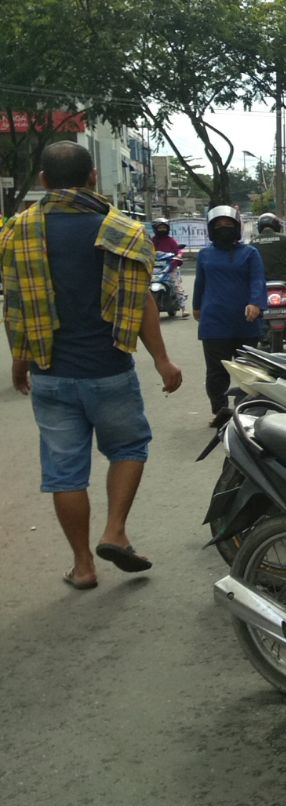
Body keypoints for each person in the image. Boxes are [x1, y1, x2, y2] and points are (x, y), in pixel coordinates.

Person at [1, 141, 183, 590]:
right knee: (128, 449)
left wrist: (19, 361)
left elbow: (19, 306)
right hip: (110, 370)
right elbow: (140, 302)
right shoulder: (123, 229)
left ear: (43, 181)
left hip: (50, 373)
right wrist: (162, 361)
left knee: (65, 472)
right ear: (93, 178)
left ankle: (83, 566)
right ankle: (115, 530)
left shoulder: (17, 230)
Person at [193, 206, 266, 425]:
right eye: (218, 226)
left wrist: (255, 302)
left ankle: (245, 409)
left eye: (228, 225)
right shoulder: (205, 255)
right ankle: (220, 410)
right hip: (214, 323)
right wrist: (197, 307)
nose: (223, 229)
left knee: (248, 370)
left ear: (237, 228)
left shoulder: (250, 253)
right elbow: (200, 283)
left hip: (246, 320)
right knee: (216, 372)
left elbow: (257, 280)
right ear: (211, 229)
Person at [250, 213, 286, 349]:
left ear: (259, 226)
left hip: (261, 283)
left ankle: (255, 338)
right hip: (282, 281)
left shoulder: (253, 242)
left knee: (257, 308)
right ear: (276, 225)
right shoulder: (284, 239)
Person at [150, 217, 189, 317]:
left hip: (170, 266)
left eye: (164, 228)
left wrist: (178, 257)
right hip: (155, 267)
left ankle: (183, 308)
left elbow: (177, 251)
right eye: (160, 228)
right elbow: (147, 251)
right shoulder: (152, 241)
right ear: (155, 229)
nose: (162, 230)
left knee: (176, 286)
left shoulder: (171, 241)